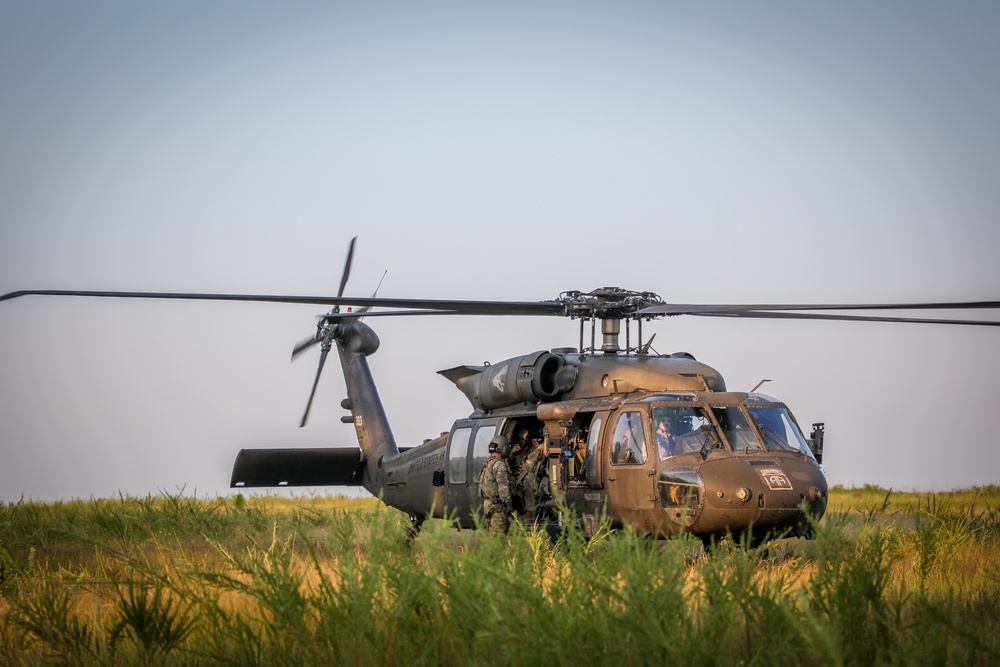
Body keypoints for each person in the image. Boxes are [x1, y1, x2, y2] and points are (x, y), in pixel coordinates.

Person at [479, 435, 514, 536]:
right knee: (499, 539)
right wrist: (509, 505)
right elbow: (503, 488)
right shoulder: (499, 465)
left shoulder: (487, 463)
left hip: (488, 506)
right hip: (498, 508)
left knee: (492, 537)